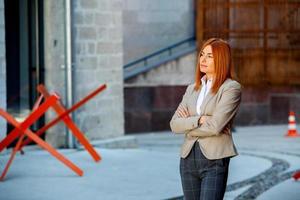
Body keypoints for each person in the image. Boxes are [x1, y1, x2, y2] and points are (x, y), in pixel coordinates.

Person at [170, 38, 242, 200]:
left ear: (221, 59)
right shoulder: (192, 89)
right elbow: (174, 124)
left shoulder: (230, 88)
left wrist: (188, 127)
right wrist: (200, 119)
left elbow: (215, 126)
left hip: (214, 159)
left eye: (210, 56)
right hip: (188, 160)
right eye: (202, 54)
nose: (203, 59)